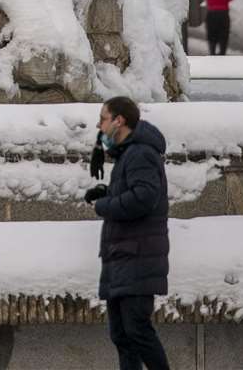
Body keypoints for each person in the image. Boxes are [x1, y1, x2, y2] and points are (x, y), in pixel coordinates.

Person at [83, 96, 171, 370]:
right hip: (124, 256)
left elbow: (145, 197)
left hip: (137, 256)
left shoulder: (141, 153)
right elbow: (135, 192)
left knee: (138, 331)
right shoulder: (130, 154)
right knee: (123, 335)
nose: (99, 125)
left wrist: (104, 204)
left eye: (103, 119)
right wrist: (107, 192)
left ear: (119, 121)